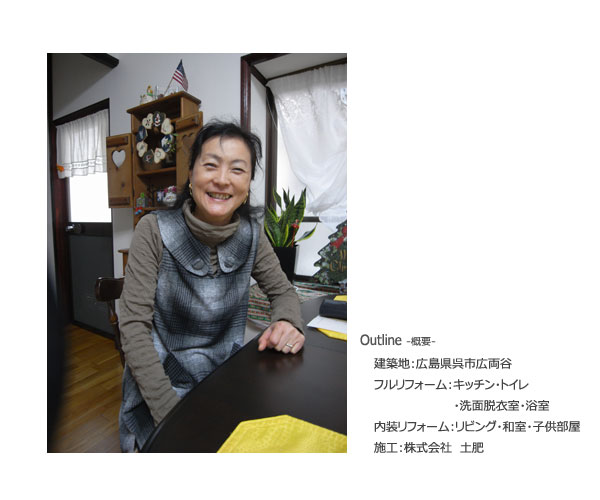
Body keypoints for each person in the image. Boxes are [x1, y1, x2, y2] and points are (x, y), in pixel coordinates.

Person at [118, 120, 305, 452]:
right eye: (210, 165)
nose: (222, 179)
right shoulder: (153, 230)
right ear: (191, 174)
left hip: (224, 384)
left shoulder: (252, 233)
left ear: (248, 183)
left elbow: (282, 292)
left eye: (237, 169)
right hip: (160, 390)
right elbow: (133, 327)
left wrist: (288, 322)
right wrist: (170, 414)